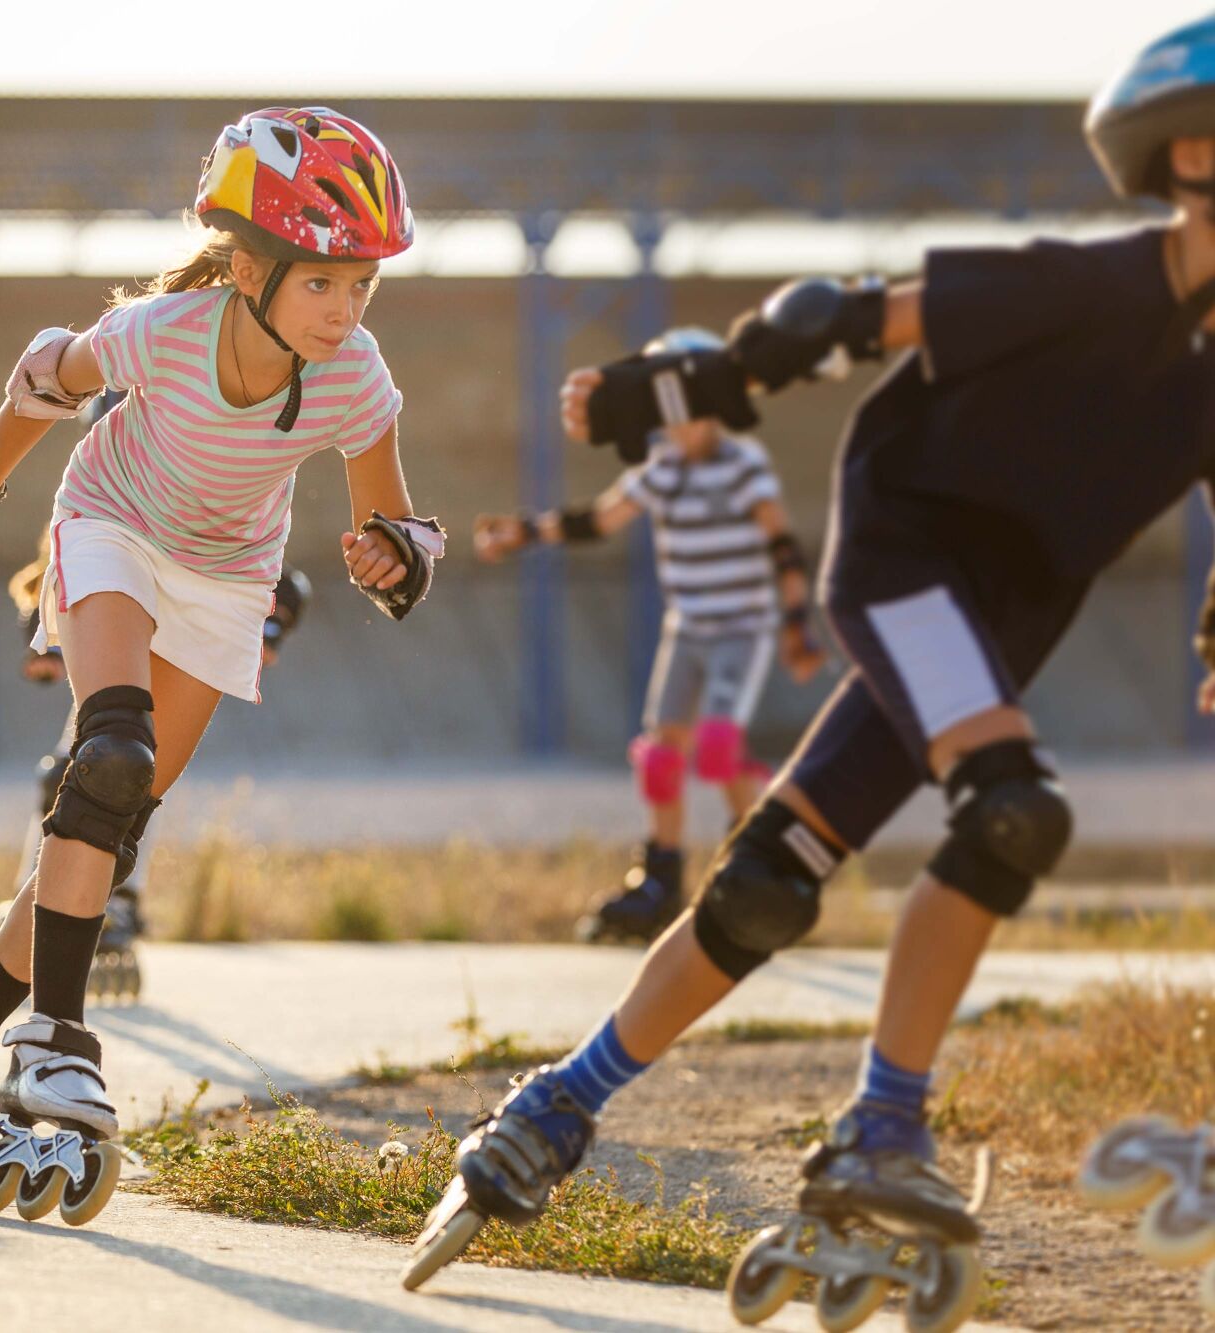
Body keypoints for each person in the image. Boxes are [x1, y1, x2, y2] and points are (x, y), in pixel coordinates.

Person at [406, 20, 1215, 1329]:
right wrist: (682, 389)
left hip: (996, 624)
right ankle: (883, 1125)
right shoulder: (1094, 284)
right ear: (1189, 156)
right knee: (1012, 809)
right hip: (907, 559)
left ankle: (555, 1103)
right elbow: (842, 319)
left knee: (770, 878)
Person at [0, 106, 440, 1227]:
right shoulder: (165, 331)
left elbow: (395, 528)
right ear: (248, 268)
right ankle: (54, 1043)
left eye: (362, 285)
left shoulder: (355, 377)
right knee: (109, 755)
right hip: (111, 526)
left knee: (106, 826)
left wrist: (395, 559)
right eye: (322, 282)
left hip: (228, 577)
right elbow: (43, 376)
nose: (344, 310)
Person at [474, 326, 824, 945]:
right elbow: (599, 519)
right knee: (661, 754)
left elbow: (781, 544)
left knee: (718, 750)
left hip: (741, 628)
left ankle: (760, 866)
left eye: (689, 412)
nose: (680, 428)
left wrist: (797, 625)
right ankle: (661, 881)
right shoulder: (662, 469)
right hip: (687, 627)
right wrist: (522, 533)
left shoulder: (742, 465)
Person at [0, 548, 312, 1001]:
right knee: (79, 772)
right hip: (121, 637)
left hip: (176, 644)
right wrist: (45, 639)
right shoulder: (97, 514)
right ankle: (31, 896)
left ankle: (118, 899)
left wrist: (269, 626)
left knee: (130, 774)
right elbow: (63, 557)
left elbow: (278, 572)